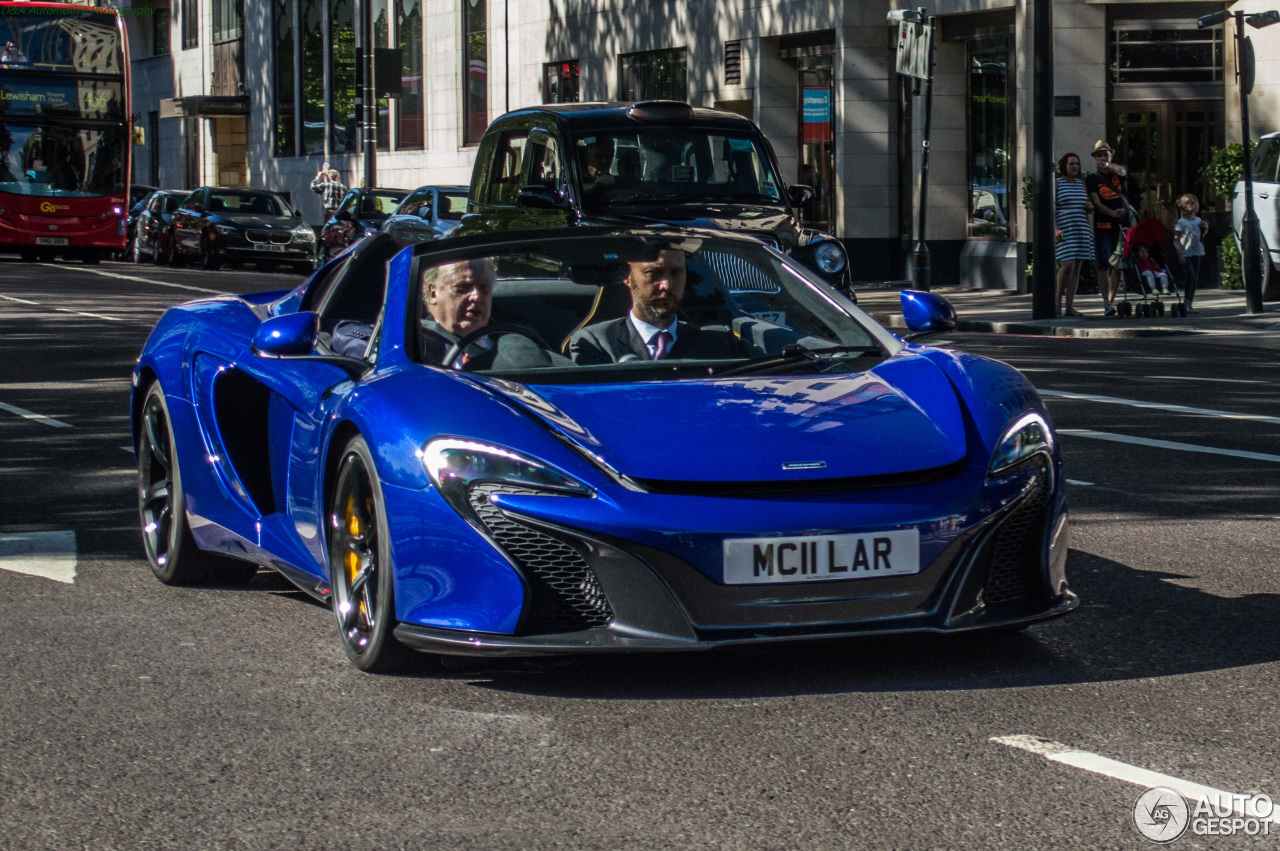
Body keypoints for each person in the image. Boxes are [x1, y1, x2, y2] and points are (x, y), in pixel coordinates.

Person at [568, 248, 741, 365]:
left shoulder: (718, 340)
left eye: (676, 273)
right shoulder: (596, 342)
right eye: (653, 272)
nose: (666, 285)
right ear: (627, 277)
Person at [1085, 140, 1130, 316]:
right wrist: (1112, 213)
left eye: (1106, 154)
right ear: (1095, 158)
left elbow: (1122, 171)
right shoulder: (1092, 179)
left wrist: (1109, 165)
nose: (1103, 157)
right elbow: (1096, 203)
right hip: (1103, 225)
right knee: (1104, 264)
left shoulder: (1118, 171)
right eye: (1100, 155)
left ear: (1111, 155)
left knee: (1118, 265)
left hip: (1121, 227)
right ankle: (1106, 303)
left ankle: (1111, 300)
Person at [1054, 152, 1094, 318]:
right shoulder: (1057, 183)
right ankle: (1056, 302)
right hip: (1065, 229)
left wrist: (1089, 206)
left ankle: (1070, 307)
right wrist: (1055, 229)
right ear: (1064, 165)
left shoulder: (1081, 184)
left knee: (1076, 268)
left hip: (1081, 229)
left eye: (1077, 164)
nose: (1075, 167)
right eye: (1071, 164)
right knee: (1067, 264)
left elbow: (1087, 207)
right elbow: (1052, 208)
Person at [1174, 193, 1209, 314]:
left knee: (1195, 278)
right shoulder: (1181, 222)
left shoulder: (1198, 220)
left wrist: (1205, 229)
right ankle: (1186, 302)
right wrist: (1180, 254)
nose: (1195, 206)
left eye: (1196, 203)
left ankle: (1189, 303)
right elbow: (1176, 239)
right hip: (1186, 252)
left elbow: (1201, 237)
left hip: (1196, 251)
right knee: (1191, 275)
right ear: (1184, 206)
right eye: (1191, 204)